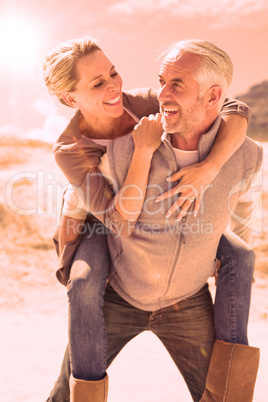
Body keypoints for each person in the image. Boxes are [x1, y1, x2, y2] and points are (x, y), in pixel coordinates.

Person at [42, 38, 260, 401]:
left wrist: (210, 167)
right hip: (99, 217)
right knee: (82, 281)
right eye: (98, 84)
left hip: (161, 232)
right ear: (70, 98)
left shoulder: (142, 101)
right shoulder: (72, 148)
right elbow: (116, 221)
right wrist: (143, 149)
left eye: (113, 73)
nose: (114, 87)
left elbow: (230, 105)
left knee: (241, 255)